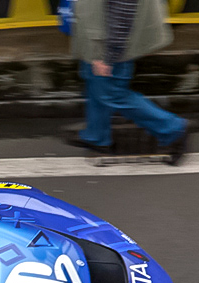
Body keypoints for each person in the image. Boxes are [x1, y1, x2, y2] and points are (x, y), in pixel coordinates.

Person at [68, 0, 188, 164]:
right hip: (95, 40)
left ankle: (172, 129)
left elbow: (121, 16)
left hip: (106, 46)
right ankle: (96, 136)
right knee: (96, 84)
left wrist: (107, 57)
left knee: (112, 94)